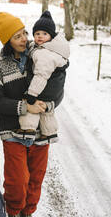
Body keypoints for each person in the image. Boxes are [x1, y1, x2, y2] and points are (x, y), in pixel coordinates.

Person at [0, 12, 66, 217]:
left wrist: (48, 105)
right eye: (17, 36)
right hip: (13, 130)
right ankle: (13, 212)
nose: (24, 39)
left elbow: (57, 89)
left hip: (41, 131)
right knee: (17, 181)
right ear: (7, 41)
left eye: (24, 33)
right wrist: (25, 107)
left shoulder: (39, 55)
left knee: (35, 179)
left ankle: (28, 213)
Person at [19, 10, 70, 144]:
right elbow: (34, 47)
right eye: (37, 34)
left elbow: (41, 76)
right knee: (47, 112)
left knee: (33, 106)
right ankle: (49, 134)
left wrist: (32, 94)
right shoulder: (51, 49)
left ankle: (27, 130)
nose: (40, 37)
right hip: (54, 91)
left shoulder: (45, 54)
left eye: (44, 34)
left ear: (51, 36)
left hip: (44, 88)